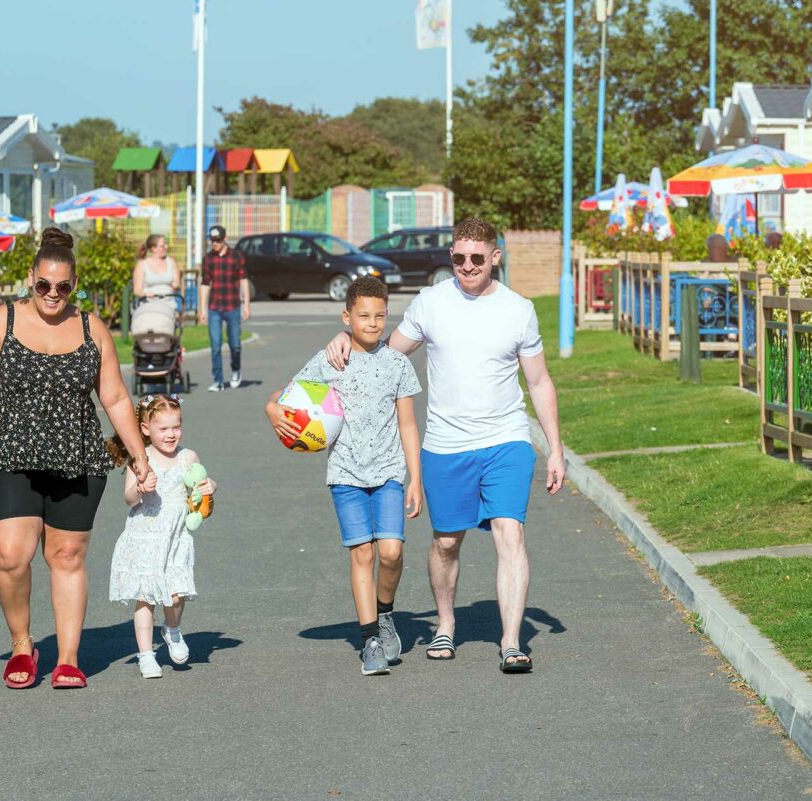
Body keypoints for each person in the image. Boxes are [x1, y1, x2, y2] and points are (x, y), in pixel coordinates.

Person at [325, 217, 566, 674]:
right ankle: (446, 623)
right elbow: (385, 354)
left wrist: (555, 447)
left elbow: (538, 380)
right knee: (447, 542)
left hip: (506, 439)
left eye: (478, 258)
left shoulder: (519, 309)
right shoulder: (431, 303)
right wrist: (347, 338)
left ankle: (511, 641)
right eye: (459, 258)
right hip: (445, 444)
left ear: (496, 257)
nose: (468, 266)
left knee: (509, 533)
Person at [0, 226, 154, 691]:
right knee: (10, 555)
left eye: (62, 287)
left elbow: (115, 398)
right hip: (9, 453)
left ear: (74, 284)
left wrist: (139, 455)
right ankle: (22, 643)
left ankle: (68, 658)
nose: (52, 294)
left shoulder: (91, 327)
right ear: (30, 278)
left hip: (76, 455)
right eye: (43, 285)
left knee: (67, 555)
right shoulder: (2, 323)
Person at [267, 276, 423, 676]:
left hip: (389, 471)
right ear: (347, 316)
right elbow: (282, 397)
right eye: (363, 316)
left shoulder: (397, 364)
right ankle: (370, 637)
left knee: (391, 553)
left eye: (379, 316)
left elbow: (407, 424)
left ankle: (385, 612)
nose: (372, 323)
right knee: (363, 554)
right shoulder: (331, 360)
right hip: (346, 474)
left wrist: (415, 479)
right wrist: (272, 411)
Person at [107, 394, 216, 679]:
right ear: (145, 429)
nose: (171, 434)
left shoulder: (187, 457)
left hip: (176, 538)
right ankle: (145, 655)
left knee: (176, 594)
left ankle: (172, 630)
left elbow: (199, 485)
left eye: (176, 427)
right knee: (145, 598)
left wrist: (209, 486)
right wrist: (140, 489)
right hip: (145, 536)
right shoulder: (141, 459)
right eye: (163, 429)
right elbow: (128, 498)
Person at [198, 225, 250, 392]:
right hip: (214, 307)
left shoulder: (236, 256)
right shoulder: (208, 259)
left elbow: (243, 280)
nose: (215, 244)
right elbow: (205, 283)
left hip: (232, 306)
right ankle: (218, 380)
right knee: (215, 345)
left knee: (235, 344)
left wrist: (246, 305)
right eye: (212, 241)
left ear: (224, 239)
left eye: (218, 241)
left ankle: (236, 370)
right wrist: (202, 309)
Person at [132, 234, 181, 303]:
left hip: (168, 304)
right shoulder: (142, 265)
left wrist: (176, 285)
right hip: (148, 304)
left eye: (166, 245)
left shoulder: (171, 262)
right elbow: (137, 290)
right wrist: (145, 294)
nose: (166, 247)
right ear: (153, 249)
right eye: (162, 246)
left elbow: (176, 284)